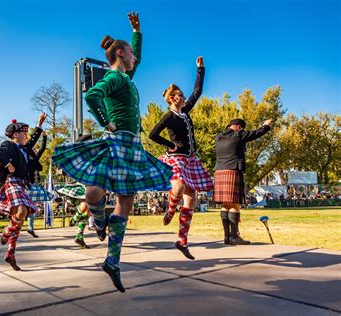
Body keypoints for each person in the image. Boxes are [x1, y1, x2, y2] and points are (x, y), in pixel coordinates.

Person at [52, 12, 173, 292]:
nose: (135, 57)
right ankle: (98, 221)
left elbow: (137, 58)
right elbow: (91, 95)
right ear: (120, 53)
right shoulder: (115, 78)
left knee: (126, 201)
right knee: (93, 193)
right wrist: (104, 120)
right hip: (117, 141)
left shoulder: (126, 78)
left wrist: (137, 32)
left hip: (131, 145)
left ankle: (112, 261)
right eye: (130, 52)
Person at [149, 56, 213, 260]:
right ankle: (169, 210)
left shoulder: (185, 112)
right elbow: (153, 135)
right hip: (175, 157)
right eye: (180, 95)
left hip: (190, 159)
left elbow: (197, 92)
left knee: (192, 199)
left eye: (183, 95)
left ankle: (182, 241)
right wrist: (170, 145)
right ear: (172, 98)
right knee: (176, 188)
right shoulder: (168, 116)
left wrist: (200, 69)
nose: (184, 97)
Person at [0, 112, 46, 270]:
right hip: (12, 183)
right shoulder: (9, 145)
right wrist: (8, 165)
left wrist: (39, 124)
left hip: (21, 185)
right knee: (21, 211)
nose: (26, 135)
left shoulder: (25, 148)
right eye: (24, 133)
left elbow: (35, 139)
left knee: (20, 219)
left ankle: (10, 254)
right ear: (15, 135)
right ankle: (7, 231)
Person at [214, 118, 272, 245]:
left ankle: (226, 236)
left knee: (225, 205)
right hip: (233, 170)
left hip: (219, 171)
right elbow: (256, 134)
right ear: (239, 127)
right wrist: (265, 126)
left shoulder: (218, 137)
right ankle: (234, 237)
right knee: (235, 204)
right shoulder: (238, 134)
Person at [25, 131, 53, 238]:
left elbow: (43, 148)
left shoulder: (36, 158)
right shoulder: (26, 158)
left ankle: (30, 228)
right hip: (28, 185)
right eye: (33, 148)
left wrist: (44, 137)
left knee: (33, 207)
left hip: (35, 185)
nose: (35, 149)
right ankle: (20, 226)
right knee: (27, 208)